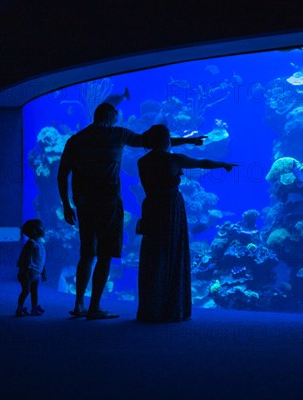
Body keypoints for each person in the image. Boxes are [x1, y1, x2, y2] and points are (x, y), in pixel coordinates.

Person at [58, 102, 205, 320]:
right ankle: (94, 307)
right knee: (105, 254)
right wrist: (189, 141)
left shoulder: (76, 139)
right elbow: (154, 143)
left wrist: (67, 204)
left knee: (87, 253)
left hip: (85, 203)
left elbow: (63, 174)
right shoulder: (117, 134)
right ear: (109, 117)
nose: (117, 120)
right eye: (115, 117)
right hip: (109, 203)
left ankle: (79, 303)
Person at [136, 124, 237, 323]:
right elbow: (203, 163)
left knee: (154, 254)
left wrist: (188, 140)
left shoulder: (142, 161)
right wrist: (223, 164)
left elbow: (162, 144)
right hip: (170, 209)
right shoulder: (174, 159)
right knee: (172, 252)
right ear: (167, 141)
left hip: (151, 207)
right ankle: (172, 307)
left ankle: (151, 307)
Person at [15, 219, 47, 317]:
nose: (43, 228)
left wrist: (43, 272)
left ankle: (34, 308)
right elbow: (26, 258)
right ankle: (19, 308)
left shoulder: (40, 243)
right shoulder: (31, 243)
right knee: (26, 290)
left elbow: (41, 260)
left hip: (36, 273)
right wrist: (24, 272)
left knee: (34, 291)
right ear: (33, 230)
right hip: (28, 272)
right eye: (40, 227)